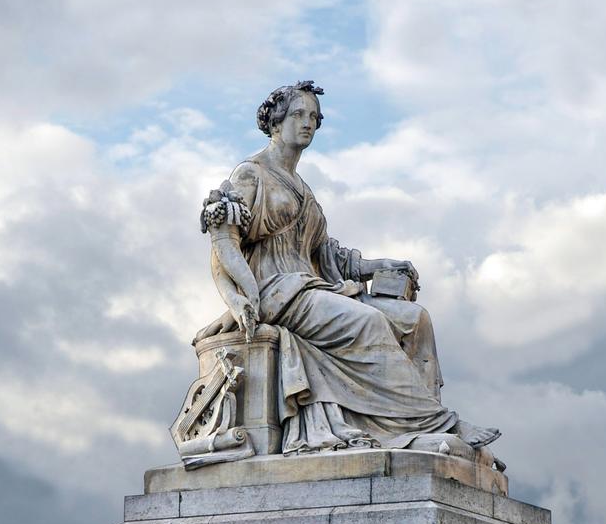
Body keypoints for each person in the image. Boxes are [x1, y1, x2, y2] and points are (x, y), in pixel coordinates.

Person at [193, 81, 499, 454]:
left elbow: (329, 256)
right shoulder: (251, 174)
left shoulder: (303, 188)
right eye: (298, 115)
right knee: (367, 322)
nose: (308, 123)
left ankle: (409, 426)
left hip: (314, 287)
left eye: (313, 117)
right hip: (278, 292)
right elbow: (222, 241)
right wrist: (238, 296)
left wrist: (378, 266)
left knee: (414, 318)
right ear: (275, 122)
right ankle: (439, 424)